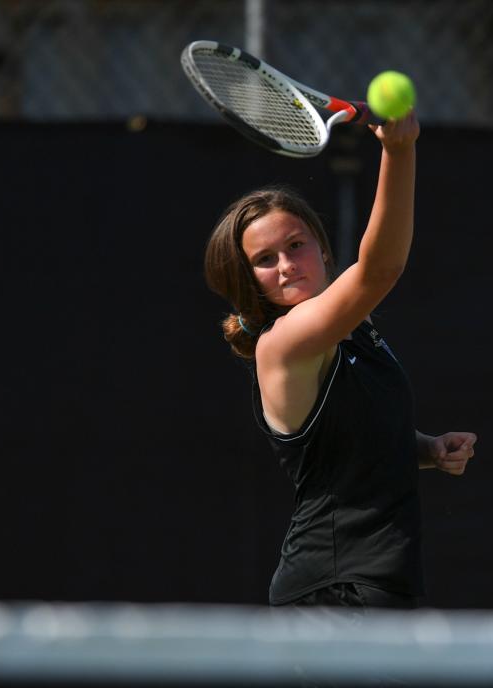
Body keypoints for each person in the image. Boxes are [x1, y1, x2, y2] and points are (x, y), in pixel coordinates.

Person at [204, 113, 477, 610]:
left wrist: (427, 449)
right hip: (332, 595)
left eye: (295, 245)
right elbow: (380, 270)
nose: (286, 265)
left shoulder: (355, 333)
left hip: (377, 586)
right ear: (250, 281)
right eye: (265, 260)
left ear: (323, 251)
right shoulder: (284, 344)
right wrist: (399, 150)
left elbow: (354, 436)